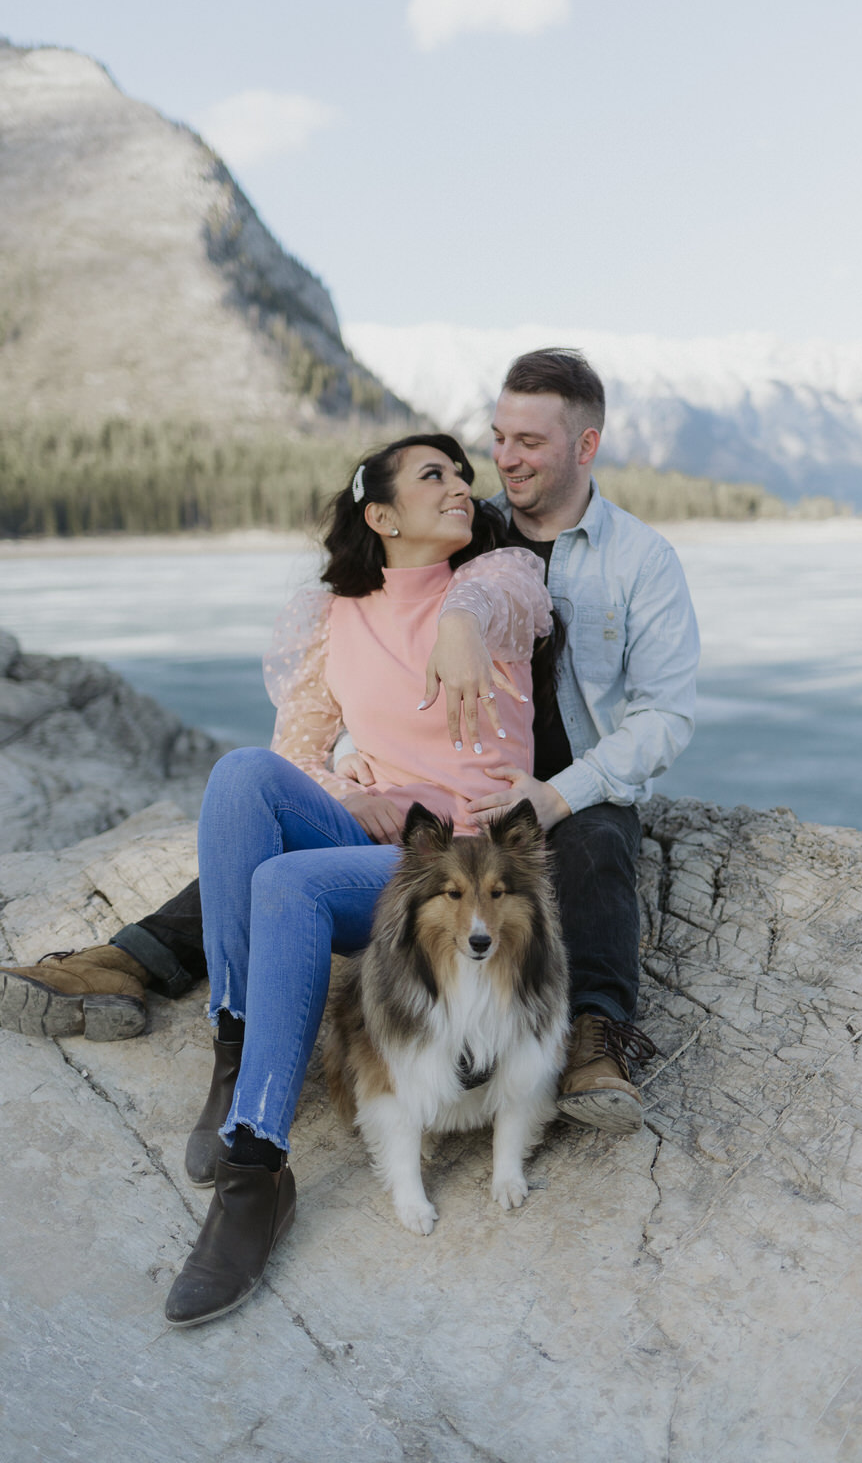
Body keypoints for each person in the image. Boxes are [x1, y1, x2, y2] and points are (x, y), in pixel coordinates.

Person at [0, 349, 700, 1135]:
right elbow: (386, 621)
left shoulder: (637, 561)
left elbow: (663, 717)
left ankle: (592, 1035)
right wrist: (351, 773)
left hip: (556, 780)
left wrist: (557, 791)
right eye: (498, 437)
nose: (502, 460)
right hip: (434, 789)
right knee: (259, 814)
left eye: (530, 443)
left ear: (585, 447)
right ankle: (133, 966)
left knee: (599, 835)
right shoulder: (467, 524)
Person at [169, 432, 554, 1324]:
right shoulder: (332, 617)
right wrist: (354, 791)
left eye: (463, 474)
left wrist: (457, 625)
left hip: (457, 864)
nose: (462, 486)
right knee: (239, 777)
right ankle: (233, 1047)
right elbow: (295, 755)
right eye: (435, 477)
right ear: (380, 517)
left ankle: (254, 1168)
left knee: (287, 887)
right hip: (372, 836)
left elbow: (494, 602)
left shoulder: (496, 586)